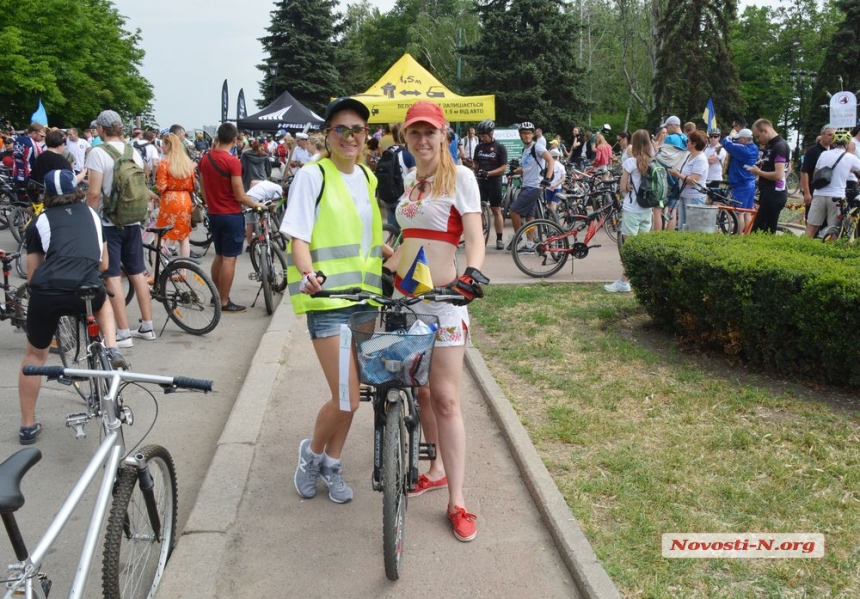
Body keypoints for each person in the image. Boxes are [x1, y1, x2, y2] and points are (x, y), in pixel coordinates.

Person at [387, 100, 488, 542]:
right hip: (405, 301)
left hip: (445, 302)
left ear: (443, 135)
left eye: (430, 132)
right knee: (419, 390)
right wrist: (388, 257)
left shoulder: (460, 177)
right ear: (405, 138)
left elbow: (475, 235)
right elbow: (409, 240)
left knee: (445, 399)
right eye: (415, 133)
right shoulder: (411, 180)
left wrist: (474, 274)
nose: (422, 140)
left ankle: (459, 501)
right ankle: (436, 468)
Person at [283, 97, 384, 505]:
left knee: (353, 396)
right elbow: (298, 237)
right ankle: (311, 456)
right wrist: (308, 275)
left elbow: (370, 239)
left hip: (365, 299)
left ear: (366, 137)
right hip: (327, 300)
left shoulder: (367, 177)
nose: (349, 136)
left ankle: (333, 463)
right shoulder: (312, 175)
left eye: (357, 129)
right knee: (347, 394)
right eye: (340, 129)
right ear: (327, 134)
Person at [16, 169, 127, 444]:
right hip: (85, 290)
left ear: (47, 195)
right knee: (103, 304)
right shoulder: (92, 214)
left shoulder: (38, 221)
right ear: (75, 190)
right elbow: (103, 264)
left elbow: (32, 277)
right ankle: (112, 347)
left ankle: (28, 424)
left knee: (34, 356)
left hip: (48, 291)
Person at [85, 110, 157, 348]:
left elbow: (94, 193)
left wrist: (89, 219)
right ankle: (147, 326)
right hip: (133, 220)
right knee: (137, 272)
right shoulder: (133, 151)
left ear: (102, 130)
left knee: (112, 275)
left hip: (109, 222)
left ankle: (123, 332)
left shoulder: (98, 153)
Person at [198, 122, 266, 313]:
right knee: (229, 259)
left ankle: (216, 295)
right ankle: (225, 301)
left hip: (214, 214)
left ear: (218, 137)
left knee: (219, 255)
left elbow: (203, 190)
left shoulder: (205, 159)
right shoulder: (232, 162)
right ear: (235, 139)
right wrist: (257, 204)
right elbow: (240, 195)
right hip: (231, 214)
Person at [605, 130, 653, 293]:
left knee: (630, 248)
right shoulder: (653, 161)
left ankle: (624, 282)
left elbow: (623, 188)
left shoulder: (631, 163)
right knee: (642, 246)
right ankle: (641, 280)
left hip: (632, 209)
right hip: (647, 209)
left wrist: (627, 188)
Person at [508, 121, 554, 251]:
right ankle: (530, 244)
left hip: (534, 186)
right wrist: (516, 171)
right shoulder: (526, 150)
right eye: (524, 133)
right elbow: (528, 167)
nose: (527, 136)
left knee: (514, 211)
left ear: (533, 134)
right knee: (529, 217)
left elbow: (550, 160)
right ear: (520, 135)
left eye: (529, 133)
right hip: (527, 185)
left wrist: (547, 178)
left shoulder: (537, 147)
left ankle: (518, 237)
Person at [805, 129, 860, 238]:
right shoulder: (850, 158)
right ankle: (829, 253)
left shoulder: (824, 154)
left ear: (834, 141)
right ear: (848, 143)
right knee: (834, 230)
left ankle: (800, 250)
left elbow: (816, 173)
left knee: (811, 227)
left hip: (819, 194)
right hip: (837, 197)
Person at [155, 133, 196, 259]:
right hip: (185, 200)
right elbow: (192, 185)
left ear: (169, 145)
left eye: (163, 144)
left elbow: (161, 186)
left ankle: (154, 272)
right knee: (184, 236)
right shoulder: (187, 163)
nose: (162, 147)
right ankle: (184, 269)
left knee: (161, 235)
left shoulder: (164, 163)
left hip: (170, 201)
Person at [746, 119, 790, 234]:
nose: (757, 140)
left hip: (774, 194)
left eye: (758, 136)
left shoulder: (779, 146)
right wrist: (761, 164)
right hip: (768, 193)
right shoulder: (771, 145)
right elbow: (787, 169)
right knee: (762, 231)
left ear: (765, 130)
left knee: (759, 233)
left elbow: (779, 175)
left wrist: (758, 172)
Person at [473, 118, 508, 249]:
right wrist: (473, 167)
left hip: (494, 181)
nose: (482, 138)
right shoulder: (479, 147)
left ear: (491, 133)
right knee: (479, 209)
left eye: (484, 135)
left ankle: (499, 238)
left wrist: (490, 173)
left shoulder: (500, 147)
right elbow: (476, 162)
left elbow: (504, 167)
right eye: (480, 136)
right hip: (481, 181)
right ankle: (480, 236)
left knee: (496, 209)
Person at [668, 130, 708, 231]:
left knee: (692, 229)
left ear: (694, 144)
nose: (686, 142)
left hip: (695, 198)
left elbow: (693, 180)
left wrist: (677, 174)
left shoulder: (700, 159)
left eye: (688, 141)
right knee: (682, 227)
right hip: (684, 195)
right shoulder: (689, 155)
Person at [721, 128, 759, 233]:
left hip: (741, 185)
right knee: (747, 212)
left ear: (743, 139)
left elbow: (725, 142)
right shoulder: (754, 148)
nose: (737, 141)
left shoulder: (742, 150)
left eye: (738, 139)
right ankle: (747, 236)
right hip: (750, 184)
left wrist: (731, 136)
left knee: (739, 213)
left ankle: (739, 237)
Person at [800, 125, 835, 220]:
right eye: (829, 135)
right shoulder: (812, 151)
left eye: (834, 135)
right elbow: (805, 172)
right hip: (814, 190)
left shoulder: (835, 150)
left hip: (830, 191)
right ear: (822, 135)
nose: (832, 137)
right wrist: (807, 193)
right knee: (812, 218)